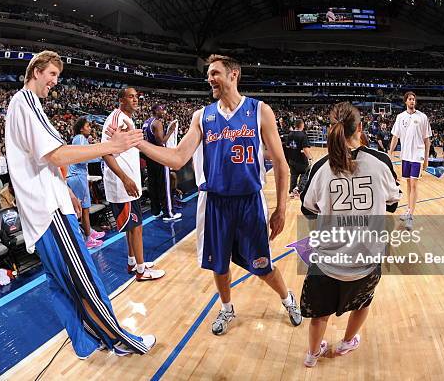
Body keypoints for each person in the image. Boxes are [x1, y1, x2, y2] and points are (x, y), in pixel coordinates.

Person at [136, 54, 302, 335]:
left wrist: (281, 209)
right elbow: (177, 158)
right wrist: (139, 143)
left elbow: (283, 166)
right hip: (214, 202)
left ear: (233, 74)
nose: (209, 78)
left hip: (249, 201)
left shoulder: (260, 111)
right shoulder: (202, 116)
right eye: (208, 74)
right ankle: (226, 308)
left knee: (262, 265)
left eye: (214, 73)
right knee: (219, 263)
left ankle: (288, 299)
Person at [5, 50, 155, 359]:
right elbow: (57, 155)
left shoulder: (21, 106)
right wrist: (111, 146)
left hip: (41, 212)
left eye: (57, 77)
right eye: (51, 75)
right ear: (36, 71)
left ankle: (85, 343)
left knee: (59, 285)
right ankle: (121, 340)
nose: (54, 83)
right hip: (50, 213)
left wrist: (66, 191)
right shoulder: (26, 102)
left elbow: (43, 161)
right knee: (84, 278)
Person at [299, 102, 400, 367]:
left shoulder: (321, 167)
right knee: (363, 303)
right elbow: (392, 203)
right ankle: (346, 342)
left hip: (327, 262)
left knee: (319, 314)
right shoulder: (381, 162)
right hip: (365, 261)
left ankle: (311, 355)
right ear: (360, 128)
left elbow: (308, 209)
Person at [102, 88, 165, 281]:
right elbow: (105, 152)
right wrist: (125, 179)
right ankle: (141, 271)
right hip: (123, 186)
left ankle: (133, 262)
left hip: (130, 183)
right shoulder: (117, 120)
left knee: (133, 226)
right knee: (136, 227)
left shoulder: (126, 118)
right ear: (121, 100)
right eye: (131, 96)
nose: (135, 100)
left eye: (137, 97)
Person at [388, 91, 431, 230]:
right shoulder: (400, 117)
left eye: (414, 99)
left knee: (413, 185)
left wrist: (426, 159)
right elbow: (395, 136)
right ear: (406, 101)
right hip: (405, 155)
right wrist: (390, 152)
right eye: (410, 99)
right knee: (407, 183)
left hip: (417, 156)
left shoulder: (423, 117)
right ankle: (408, 210)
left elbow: (427, 140)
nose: (412, 101)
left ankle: (411, 215)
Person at [67, 117, 105, 249]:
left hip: (79, 176)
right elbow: (81, 159)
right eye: (88, 126)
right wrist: (100, 155)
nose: (90, 128)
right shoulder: (79, 138)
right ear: (82, 128)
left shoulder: (81, 139)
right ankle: (88, 238)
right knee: (85, 208)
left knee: (85, 208)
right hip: (77, 176)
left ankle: (88, 231)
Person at [141, 104, 181, 221]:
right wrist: (171, 131)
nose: (163, 111)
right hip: (159, 156)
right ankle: (169, 213)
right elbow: (161, 141)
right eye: (161, 109)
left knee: (153, 186)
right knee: (164, 185)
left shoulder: (146, 122)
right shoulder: (157, 123)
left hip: (150, 157)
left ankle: (156, 211)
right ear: (155, 111)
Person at [285, 119, 312, 198]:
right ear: (302, 125)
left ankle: (292, 192)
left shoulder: (290, 134)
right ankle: (298, 189)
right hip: (301, 160)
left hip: (292, 159)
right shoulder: (303, 135)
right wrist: (310, 158)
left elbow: (287, 146)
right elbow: (305, 149)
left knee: (293, 175)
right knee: (305, 173)